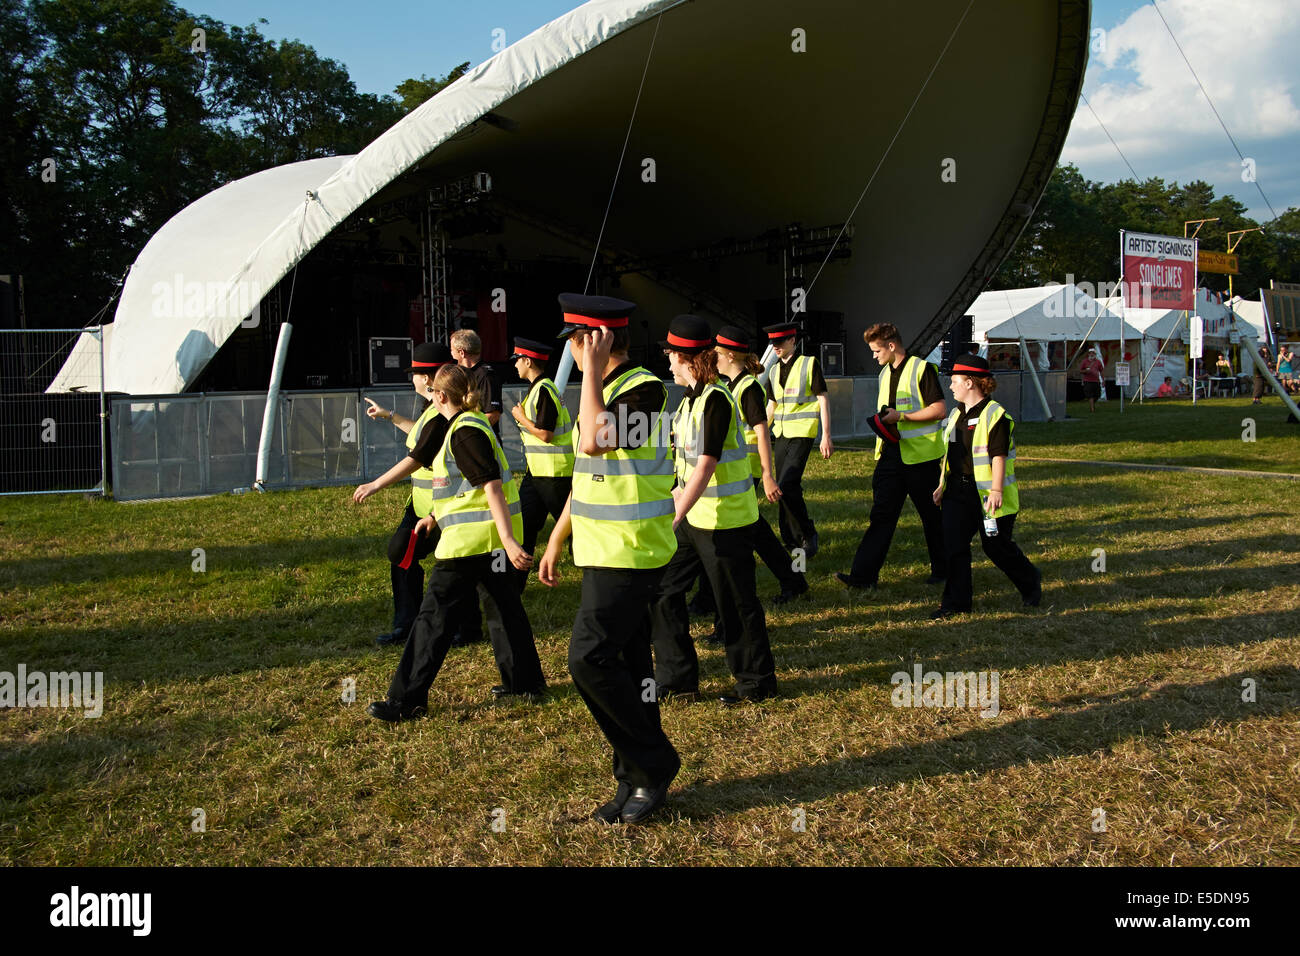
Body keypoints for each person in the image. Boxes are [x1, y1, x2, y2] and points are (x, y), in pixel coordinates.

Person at [538, 293, 680, 826]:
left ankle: (655, 762)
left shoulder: (642, 390)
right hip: (604, 550)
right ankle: (634, 778)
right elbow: (587, 474)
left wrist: (591, 372)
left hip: (633, 552)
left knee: (588, 660)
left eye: (576, 343)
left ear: (593, 341)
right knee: (626, 665)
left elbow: (597, 442)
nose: (571, 354)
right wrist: (557, 538)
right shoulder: (608, 391)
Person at [368, 364, 545, 721]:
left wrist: (510, 541)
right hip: (487, 538)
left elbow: (490, 485)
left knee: (433, 619)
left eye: (433, 392)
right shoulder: (469, 424)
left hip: (471, 543)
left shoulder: (463, 431)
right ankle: (524, 685)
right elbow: (468, 487)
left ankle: (406, 700)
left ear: (441, 396)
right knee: (504, 609)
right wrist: (435, 517)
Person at [649, 316, 779, 705]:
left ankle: (756, 684)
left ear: (687, 359)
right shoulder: (691, 400)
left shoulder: (717, 398)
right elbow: (685, 464)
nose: (668, 363)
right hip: (694, 519)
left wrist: (674, 513)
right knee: (662, 591)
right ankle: (677, 680)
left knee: (736, 605)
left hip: (724, 521)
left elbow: (706, 465)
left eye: (671, 356)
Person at [355, 341, 477, 647]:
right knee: (405, 554)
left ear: (427, 378)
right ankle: (409, 624)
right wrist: (391, 415)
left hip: (443, 508)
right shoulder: (433, 410)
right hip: (423, 506)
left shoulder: (442, 414)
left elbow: (418, 457)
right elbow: (421, 436)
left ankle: (463, 627)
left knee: (457, 566)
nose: (411, 379)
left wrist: (375, 485)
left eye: (415, 373)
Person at [837, 322, 946, 592]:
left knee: (932, 518)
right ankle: (863, 577)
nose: (874, 356)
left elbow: (940, 409)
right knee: (881, 516)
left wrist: (903, 417)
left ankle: (944, 571)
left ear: (891, 345)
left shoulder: (922, 369)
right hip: (891, 456)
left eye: (876, 351)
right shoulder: (884, 373)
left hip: (922, 459)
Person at [930, 354, 1041, 619]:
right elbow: (952, 452)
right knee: (954, 546)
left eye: (955, 381)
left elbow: (998, 457)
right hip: (957, 491)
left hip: (987, 495)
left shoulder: (996, 415)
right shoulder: (956, 415)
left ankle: (1030, 580)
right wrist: (941, 485)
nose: (951, 386)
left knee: (996, 547)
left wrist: (997, 491)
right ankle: (956, 603)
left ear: (970, 382)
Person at [715, 325, 808, 605]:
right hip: (739, 469)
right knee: (755, 530)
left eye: (717, 353)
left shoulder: (748, 387)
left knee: (746, 531)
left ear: (730, 355)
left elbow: (762, 431)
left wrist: (768, 475)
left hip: (748, 468)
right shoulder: (730, 386)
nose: (713, 358)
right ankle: (793, 580)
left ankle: (793, 580)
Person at [763, 321, 832, 557]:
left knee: (785, 484)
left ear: (793, 340)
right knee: (783, 488)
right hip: (780, 434)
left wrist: (826, 436)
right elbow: (772, 406)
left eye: (780, 342)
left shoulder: (809, 363)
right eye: (773, 343)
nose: (776, 347)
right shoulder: (772, 371)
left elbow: (822, 399)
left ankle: (806, 533)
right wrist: (758, 431)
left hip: (803, 432)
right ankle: (792, 538)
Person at [508, 337, 573, 578]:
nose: (515, 365)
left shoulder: (544, 389)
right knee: (523, 528)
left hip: (554, 474)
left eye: (517, 360)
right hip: (537, 473)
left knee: (574, 530)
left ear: (527, 360)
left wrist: (519, 416)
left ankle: (597, 569)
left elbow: (545, 433)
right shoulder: (539, 388)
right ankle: (516, 579)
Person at [452, 329, 503, 434]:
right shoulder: (460, 374)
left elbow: (493, 414)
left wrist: (469, 435)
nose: (451, 353)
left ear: (461, 352)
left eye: (452, 349)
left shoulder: (486, 375)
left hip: (481, 441)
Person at [1079, 347, 1104, 412]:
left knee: (1097, 395)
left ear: (1095, 354)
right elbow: (1080, 371)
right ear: (1088, 354)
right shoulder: (1084, 361)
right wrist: (1085, 371)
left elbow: (1101, 371)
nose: (1092, 354)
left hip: (1096, 381)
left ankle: (1092, 404)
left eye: (1093, 353)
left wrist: (1103, 380)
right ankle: (1092, 409)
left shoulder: (1098, 362)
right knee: (1090, 395)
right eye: (1090, 353)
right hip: (1087, 381)